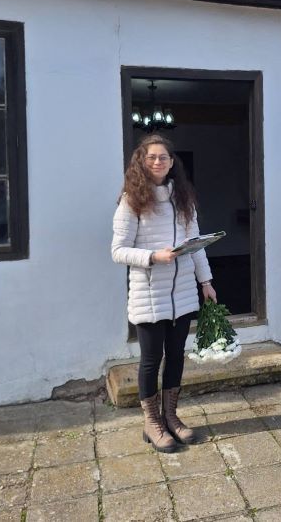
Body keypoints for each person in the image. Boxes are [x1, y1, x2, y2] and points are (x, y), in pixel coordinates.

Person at [111, 134, 217, 452]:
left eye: (164, 157)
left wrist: (206, 281)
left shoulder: (183, 199)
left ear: (172, 163)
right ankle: (152, 422)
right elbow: (118, 250)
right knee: (150, 360)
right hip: (149, 294)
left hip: (182, 292)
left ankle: (171, 416)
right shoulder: (131, 200)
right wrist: (153, 256)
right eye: (152, 157)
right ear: (142, 162)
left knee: (176, 356)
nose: (158, 162)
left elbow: (195, 245)